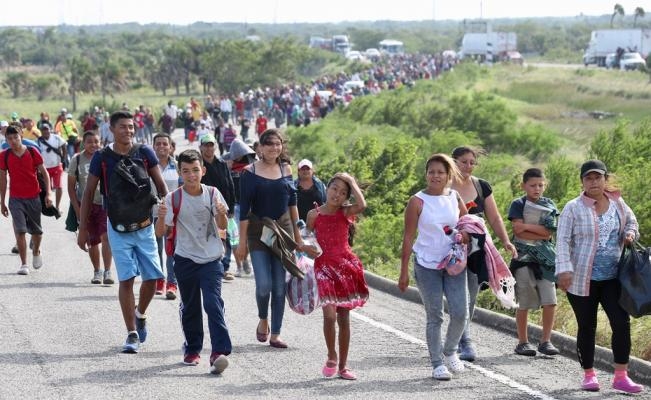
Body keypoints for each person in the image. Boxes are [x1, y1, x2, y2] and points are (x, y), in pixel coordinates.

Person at [77, 111, 167, 354]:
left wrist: (169, 216)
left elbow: (161, 187)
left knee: (152, 278)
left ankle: (140, 314)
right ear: (111, 128)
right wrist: (83, 228)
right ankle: (132, 333)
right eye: (123, 127)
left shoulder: (145, 153)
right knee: (126, 279)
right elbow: (88, 193)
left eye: (131, 127)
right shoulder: (102, 157)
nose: (128, 131)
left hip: (145, 225)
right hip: (116, 227)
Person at [556, 160, 643, 394]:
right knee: (587, 326)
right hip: (582, 278)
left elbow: (632, 221)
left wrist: (630, 233)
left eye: (598, 177)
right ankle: (589, 375)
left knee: (621, 323)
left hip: (613, 277)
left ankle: (621, 376)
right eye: (589, 178)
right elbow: (562, 240)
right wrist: (563, 269)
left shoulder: (618, 202)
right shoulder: (573, 207)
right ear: (582, 182)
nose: (593, 182)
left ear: (605, 179)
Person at [155, 149, 232, 374]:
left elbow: (224, 225)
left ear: (203, 171)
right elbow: (161, 232)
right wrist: (160, 217)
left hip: (211, 259)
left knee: (212, 302)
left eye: (195, 170)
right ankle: (193, 348)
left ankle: (219, 352)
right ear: (180, 173)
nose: (191, 175)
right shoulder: (173, 198)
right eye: (186, 171)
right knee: (190, 306)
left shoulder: (213, 193)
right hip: (185, 259)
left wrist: (220, 214)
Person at [399, 153, 469, 381]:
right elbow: (408, 238)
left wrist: (466, 235)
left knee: (460, 313)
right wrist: (403, 273)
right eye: (431, 172)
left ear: (448, 175)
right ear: (426, 174)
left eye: (440, 172)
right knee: (435, 316)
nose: (435, 176)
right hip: (426, 265)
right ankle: (437, 363)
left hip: (453, 264)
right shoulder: (417, 201)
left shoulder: (455, 197)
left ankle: (450, 352)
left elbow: (467, 223)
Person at [234, 128, 303, 349]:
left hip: (283, 232)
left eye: (278, 144)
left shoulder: (286, 169)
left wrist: (298, 235)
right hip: (258, 232)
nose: (275, 148)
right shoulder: (249, 172)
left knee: (280, 286)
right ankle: (263, 318)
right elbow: (244, 210)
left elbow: (293, 204)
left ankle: (276, 333)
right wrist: (242, 244)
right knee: (264, 285)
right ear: (260, 148)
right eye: (269, 144)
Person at [450, 146, 517, 362]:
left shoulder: (481, 186)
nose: (468, 166)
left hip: (477, 249)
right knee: (456, 294)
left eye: (472, 162)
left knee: (471, 293)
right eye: (463, 161)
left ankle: (464, 339)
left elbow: (495, 217)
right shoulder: (443, 184)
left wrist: (505, 240)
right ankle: (458, 339)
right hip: (449, 246)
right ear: (453, 161)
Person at [306, 173, 368, 380]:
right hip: (323, 267)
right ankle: (331, 354)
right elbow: (308, 241)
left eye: (343, 192)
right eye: (334, 188)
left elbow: (363, 204)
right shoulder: (313, 215)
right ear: (326, 188)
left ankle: (343, 366)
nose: (337, 194)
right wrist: (307, 250)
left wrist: (351, 181)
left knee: (344, 318)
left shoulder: (345, 213)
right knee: (329, 315)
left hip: (345, 268)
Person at [507, 168, 559, 357]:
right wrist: (536, 230)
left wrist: (527, 226)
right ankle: (523, 342)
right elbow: (517, 231)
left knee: (550, 300)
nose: (537, 189)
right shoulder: (518, 204)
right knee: (525, 301)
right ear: (524, 186)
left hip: (545, 260)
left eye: (540, 185)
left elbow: (548, 233)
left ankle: (546, 341)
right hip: (523, 260)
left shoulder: (549, 204)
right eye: (532, 185)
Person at [0, 125, 52, 275]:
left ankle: (36, 251)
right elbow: (2, 180)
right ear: (6, 140)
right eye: (9, 139)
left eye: (15, 137)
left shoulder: (32, 151)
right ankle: (24, 264)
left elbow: (45, 173)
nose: (13, 141)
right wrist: (2, 202)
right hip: (15, 199)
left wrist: (48, 193)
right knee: (20, 231)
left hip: (34, 197)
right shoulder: (4, 156)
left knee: (37, 232)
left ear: (21, 135)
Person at [68, 131, 114, 285]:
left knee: (106, 237)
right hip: (85, 205)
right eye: (89, 142)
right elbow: (71, 188)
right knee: (92, 240)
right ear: (83, 143)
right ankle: (97, 271)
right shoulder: (77, 159)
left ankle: (108, 271)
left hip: (104, 204)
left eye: (96, 141)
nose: (93, 145)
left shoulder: (106, 157)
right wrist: (77, 210)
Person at [199, 134, 236, 281]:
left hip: (222, 208)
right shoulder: (198, 165)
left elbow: (230, 185)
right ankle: (207, 266)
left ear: (215, 146)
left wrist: (231, 207)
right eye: (206, 145)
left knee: (224, 237)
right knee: (206, 238)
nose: (208, 148)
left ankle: (224, 267)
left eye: (211, 145)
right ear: (201, 147)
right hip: (203, 208)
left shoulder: (222, 164)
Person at [222, 138, 256, 277]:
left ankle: (245, 259)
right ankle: (240, 265)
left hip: (250, 205)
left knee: (248, 237)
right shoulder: (225, 161)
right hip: (233, 206)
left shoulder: (253, 162)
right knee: (234, 238)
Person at [153, 133, 180, 299]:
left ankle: (172, 283)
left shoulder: (177, 166)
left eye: (165, 144)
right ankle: (159, 280)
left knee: (171, 251)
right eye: (158, 144)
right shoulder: (147, 166)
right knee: (156, 250)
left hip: (173, 216)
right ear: (153, 146)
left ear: (170, 146)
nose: (162, 146)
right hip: (152, 215)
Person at [37, 122, 66, 211]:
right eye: (43, 130)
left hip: (57, 166)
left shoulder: (56, 138)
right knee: (46, 188)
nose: (46, 132)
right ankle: (48, 205)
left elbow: (64, 145)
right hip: (44, 169)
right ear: (41, 131)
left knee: (59, 186)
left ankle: (57, 206)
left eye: (47, 129)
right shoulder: (38, 141)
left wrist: (64, 159)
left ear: (50, 130)